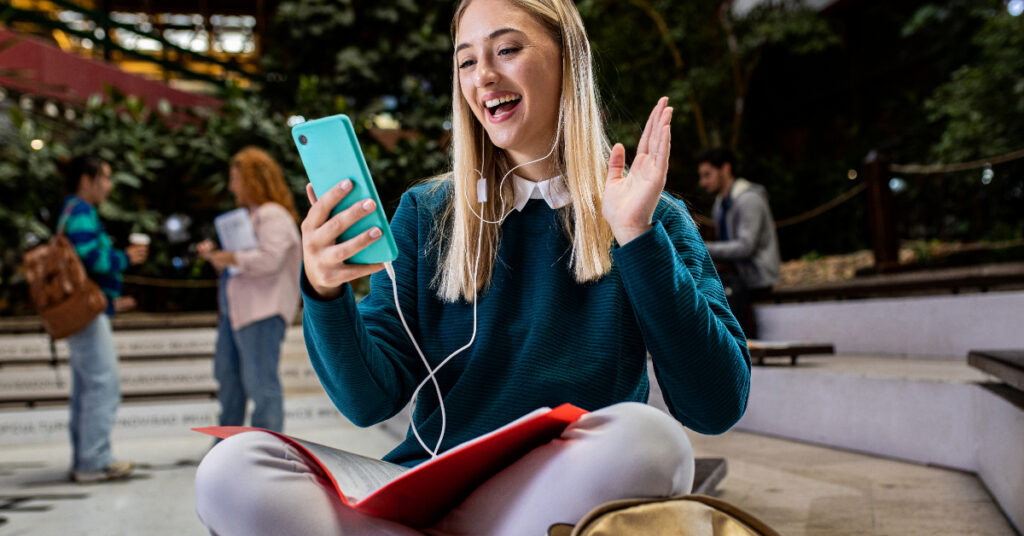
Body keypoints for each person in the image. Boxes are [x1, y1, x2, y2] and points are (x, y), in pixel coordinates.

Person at [195, 0, 750, 534]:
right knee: (233, 469)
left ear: (567, 61)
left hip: (552, 486)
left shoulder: (649, 214)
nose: (483, 75)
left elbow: (715, 406)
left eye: (506, 50)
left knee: (654, 443)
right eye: (466, 60)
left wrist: (636, 237)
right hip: (428, 482)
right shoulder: (426, 212)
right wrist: (322, 291)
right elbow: (368, 401)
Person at [196, 147, 302, 434]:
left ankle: (267, 452)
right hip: (240, 313)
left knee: (261, 385)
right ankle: (228, 447)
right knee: (231, 382)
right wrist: (221, 257)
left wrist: (229, 258)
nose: (231, 186)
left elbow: (269, 260)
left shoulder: (273, 215)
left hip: (262, 313)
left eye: (235, 179)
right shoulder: (253, 216)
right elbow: (246, 264)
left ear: (252, 180)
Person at [59, 155, 148, 483]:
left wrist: (112, 300)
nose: (109, 186)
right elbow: (91, 260)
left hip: (82, 310)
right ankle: (94, 461)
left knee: (87, 387)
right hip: (86, 313)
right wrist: (127, 256)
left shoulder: (70, 209)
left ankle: (85, 457)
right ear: (87, 179)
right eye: (105, 177)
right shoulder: (81, 211)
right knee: (102, 385)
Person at [697, 147, 780, 339]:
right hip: (736, 273)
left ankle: (741, 342)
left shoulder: (748, 199)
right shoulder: (720, 204)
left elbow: (745, 247)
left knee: (725, 288)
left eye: (707, 175)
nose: (703, 182)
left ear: (726, 169)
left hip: (756, 275)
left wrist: (703, 247)